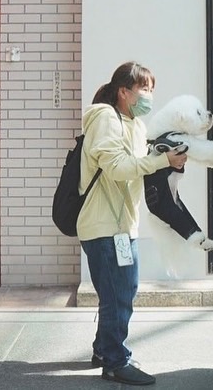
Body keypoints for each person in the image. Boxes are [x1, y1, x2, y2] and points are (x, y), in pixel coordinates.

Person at [77, 61, 187, 386]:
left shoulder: (134, 124)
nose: (149, 95)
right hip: (103, 225)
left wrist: (167, 158)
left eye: (152, 89)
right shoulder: (106, 119)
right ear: (124, 91)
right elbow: (119, 168)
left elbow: (141, 166)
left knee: (117, 291)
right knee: (120, 293)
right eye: (144, 89)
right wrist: (160, 160)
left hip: (121, 225)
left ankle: (103, 350)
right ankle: (114, 361)